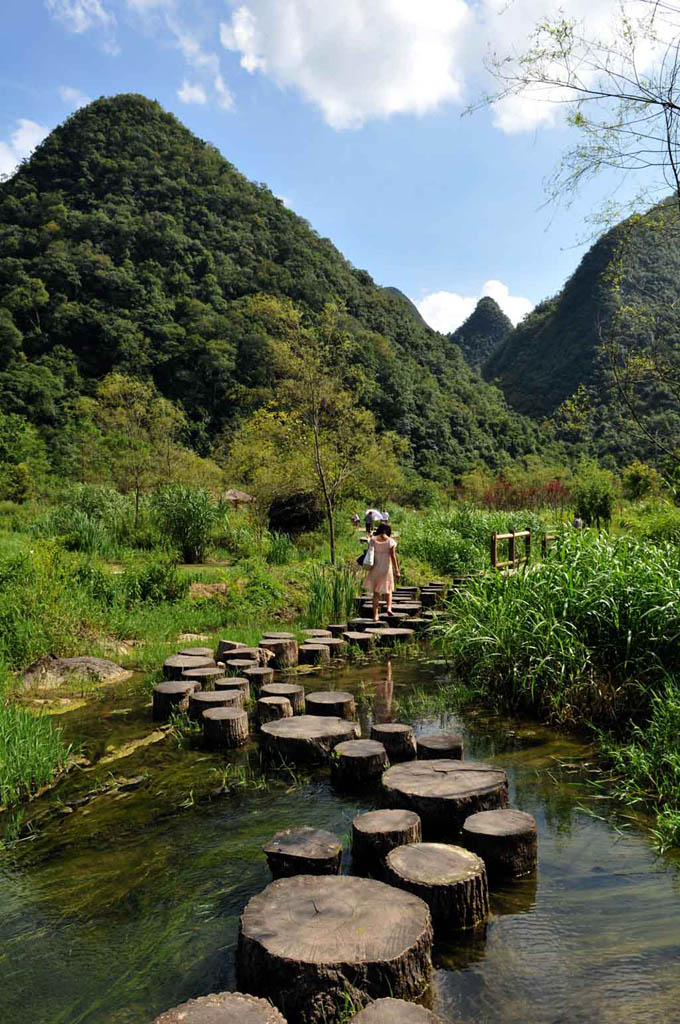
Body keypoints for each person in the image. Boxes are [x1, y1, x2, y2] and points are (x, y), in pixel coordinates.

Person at [362, 522, 400, 621]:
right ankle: (389, 608)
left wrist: (370, 535)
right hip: (386, 568)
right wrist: (397, 570)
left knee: (376, 593)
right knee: (388, 590)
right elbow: (393, 557)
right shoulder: (391, 541)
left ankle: (375, 615)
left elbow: (369, 551)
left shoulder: (373, 540)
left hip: (375, 568)